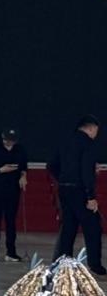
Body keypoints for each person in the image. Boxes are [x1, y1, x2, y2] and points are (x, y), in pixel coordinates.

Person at [52, 116, 104, 274]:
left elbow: (52, 165)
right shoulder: (88, 144)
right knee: (93, 226)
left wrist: (64, 178)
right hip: (80, 190)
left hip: (64, 189)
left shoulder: (64, 141)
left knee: (69, 226)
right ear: (91, 128)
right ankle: (95, 264)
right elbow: (86, 170)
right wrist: (90, 196)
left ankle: (62, 263)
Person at [0, 128, 29, 262]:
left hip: (13, 189)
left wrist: (23, 176)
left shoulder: (20, 149)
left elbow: (23, 167)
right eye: (7, 140)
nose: (9, 143)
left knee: (11, 221)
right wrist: (1, 170)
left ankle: (11, 252)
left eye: (12, 141)